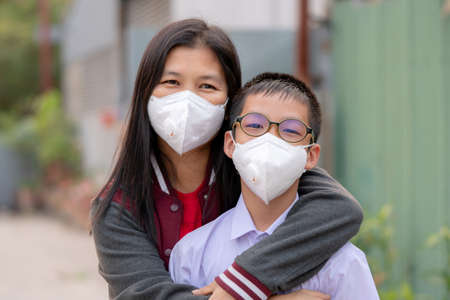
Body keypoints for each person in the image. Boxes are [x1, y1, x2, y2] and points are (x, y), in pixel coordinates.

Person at [90, 19, 363, 300]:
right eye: (171, 82)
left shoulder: (255, 170)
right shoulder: (118, 207)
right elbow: (144, 295)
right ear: (145, 92)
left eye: (207, 86)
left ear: (230, 102)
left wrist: (245, 279)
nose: (187, 99)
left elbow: (340, 209)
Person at [169, 73, 379, 300]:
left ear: (310, 155)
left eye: (290, 131)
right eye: (255, 125)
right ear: (231, 144)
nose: (270, 139)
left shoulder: (343, 263)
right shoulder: (192, 254)